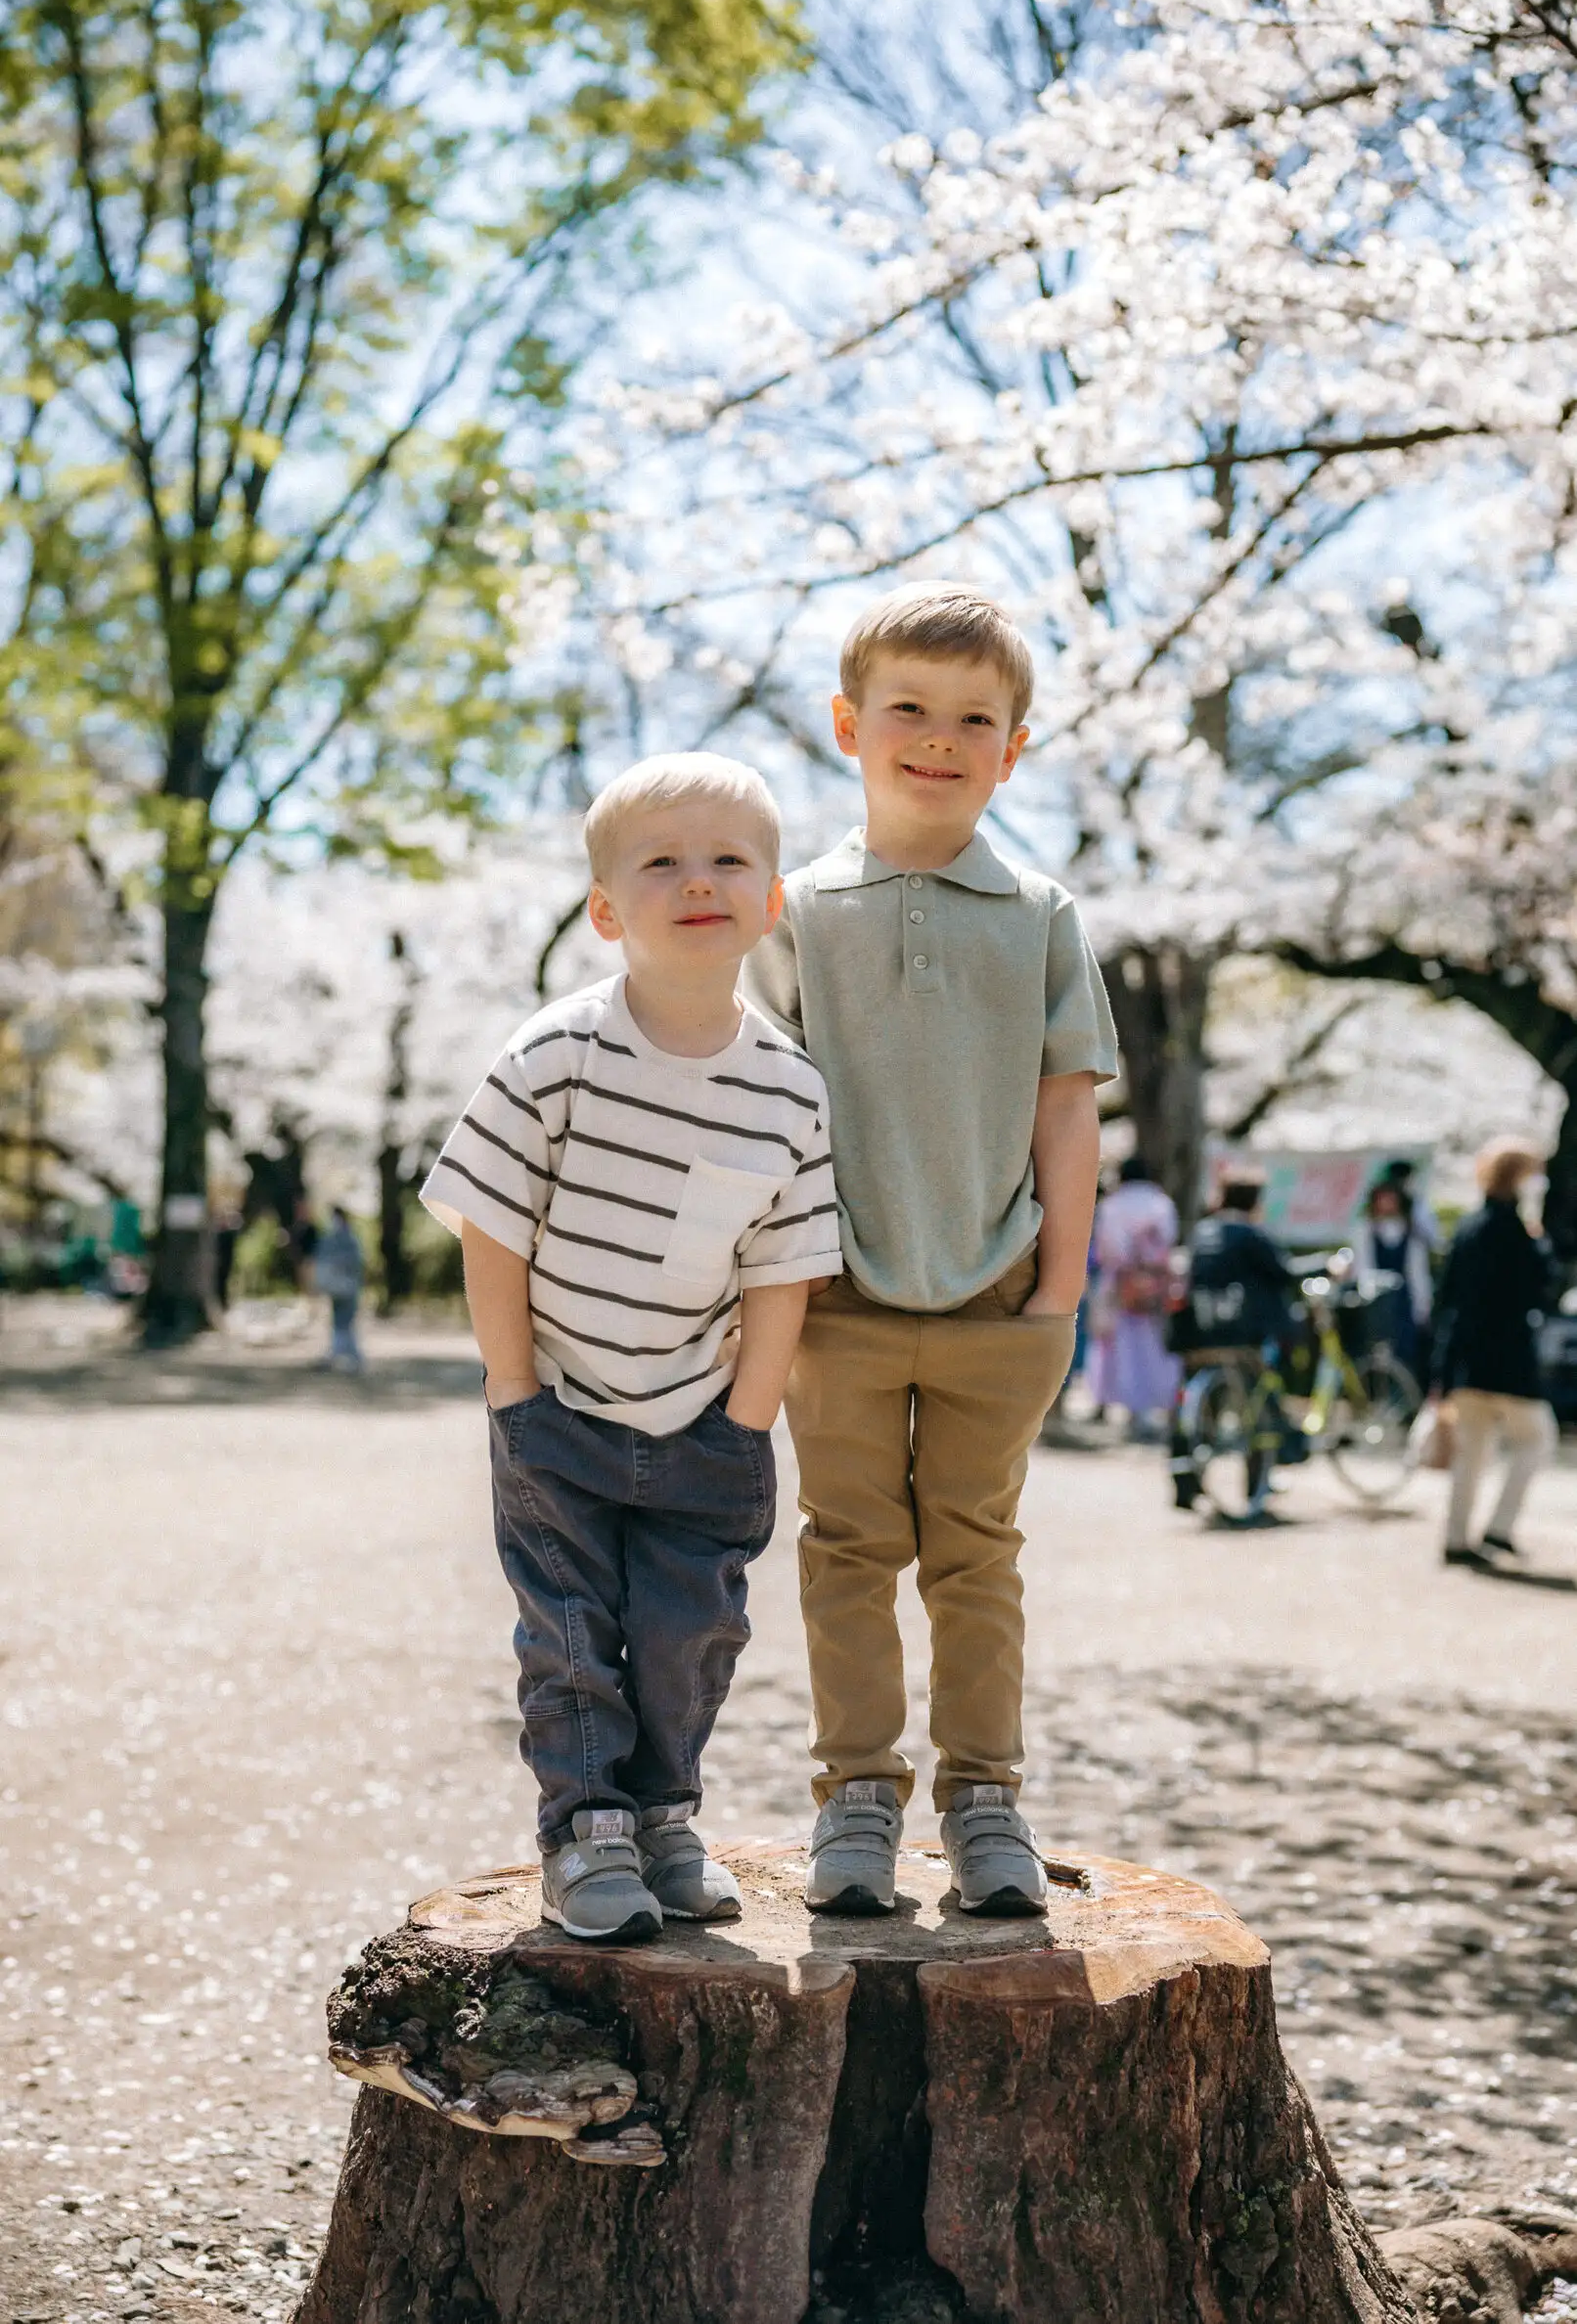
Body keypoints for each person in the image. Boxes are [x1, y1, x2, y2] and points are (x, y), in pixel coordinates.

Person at [421, 756, 840, 1944]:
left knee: (686, 1634)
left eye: (729, 861)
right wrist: (514, 1390)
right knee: (568, 1636)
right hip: (557, 1410)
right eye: (662, 862)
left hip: (703, 1420)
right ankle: (584, 1829)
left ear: (771, 900)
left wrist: (747, 1419)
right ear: (606, 910)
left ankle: (663, 1815)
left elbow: (784, 1270)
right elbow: (491, 1224)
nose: (698, 881)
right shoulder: (556, 1053)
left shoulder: (788, 1090)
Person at [748, 582, 1117, 1918]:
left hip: (997, 1293)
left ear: (1013, 749)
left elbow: (1065, 1108)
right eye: (908, 707)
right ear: (850, 725)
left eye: (974, 719)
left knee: (977, 1552)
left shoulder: (1040, 914)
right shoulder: (793, 912)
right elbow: (758, 1105)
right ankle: (855, 1792)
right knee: (846, 1547)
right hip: (835, 1292)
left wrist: (1058, 1294)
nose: (939, 738)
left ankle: (984, 1798)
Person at [1432, 1138, 1557, 1567]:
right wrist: (1539, 1241)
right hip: (1510, 1361)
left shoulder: (1468, 1229)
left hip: (1466, 1361)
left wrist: (1441, 1372)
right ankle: (1499, 1528)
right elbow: (1539, 1287)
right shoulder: (1517, 1232)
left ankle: (1456, 1537)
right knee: (1537, 1439)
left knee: (1471, 1452)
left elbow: (1446, 1300)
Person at [1167, 1171, 1300, 1515]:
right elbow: (1283, 1273)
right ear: (1254, 1201)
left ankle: (1184, 1485)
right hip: (1241, 1337)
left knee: (1195, 1409)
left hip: (1197, 1336)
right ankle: (1257, 1485)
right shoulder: (1251, 1234)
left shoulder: (1203, 1232)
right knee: (1259, 1405)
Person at [1086, 1155, 1180, 1435]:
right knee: (1150, 1346)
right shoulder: (1162, 1204)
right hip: (1153, 1284)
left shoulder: (1112, 1205)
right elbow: (1168, 1242)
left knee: (1111, 1344)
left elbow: (1107, 1248)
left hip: (1118, 1283)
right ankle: (1144, 1409)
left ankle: (1105, 1403)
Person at [1352, 1177, 1432, 1383]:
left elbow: (1417, 1275)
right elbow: (1363, 1270)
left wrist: (1423, 1308)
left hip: (1403, 1302)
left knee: (1405, 1354)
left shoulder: (1411, 1233)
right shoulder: (1365, 1230)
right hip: (1375, 1301)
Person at [314, 1205, 366, 1372]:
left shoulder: (349, 1239)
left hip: (348, 1288)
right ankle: (349, 1357)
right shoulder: (331, 1238)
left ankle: (346, 1357)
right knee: (340, 1323)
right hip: (337, 1288)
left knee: (345, 1323)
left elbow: (355, 1263)